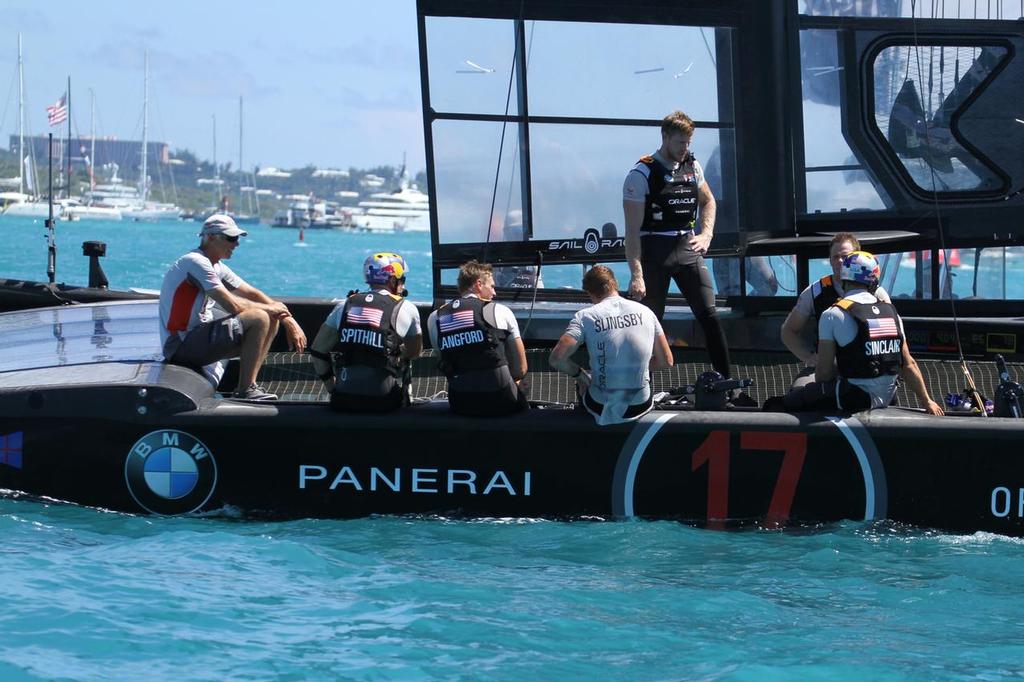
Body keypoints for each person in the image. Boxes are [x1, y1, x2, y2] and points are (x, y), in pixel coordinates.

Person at [623, 110, 731, 378]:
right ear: (665, 137)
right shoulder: (641, 174)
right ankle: (636, 385)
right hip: (653, 254)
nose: (685, 148)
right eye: (680, 143)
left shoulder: (693, 166)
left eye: (689, 143)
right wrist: (637, 275)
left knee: (710, 316)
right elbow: (632, 232)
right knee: (647, 324)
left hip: (687, 247)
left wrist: (706, 235)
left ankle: (728, 385)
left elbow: (709, 201)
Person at [159, 214, 307, 400]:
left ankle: (248, 386)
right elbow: (233, 305)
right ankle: (245, 390)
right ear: (210, 238)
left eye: (237, 238)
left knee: (270, 318)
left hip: (195, 337)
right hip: (180, 345)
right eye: (231, 238)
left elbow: (252, 293)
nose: (236, 244)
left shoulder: (216, 266)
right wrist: (272, 310)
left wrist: (287, 319)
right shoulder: (196, 262)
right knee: (260, 317)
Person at [782, 251, 944, 415]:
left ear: (844, 279)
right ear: (873, 280)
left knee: (789, 401)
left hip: (853, 398)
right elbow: (909, 364)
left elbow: (823, 374)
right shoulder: (892, 313)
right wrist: (927, 401)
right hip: (889, 397)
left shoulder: (832, 314)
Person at [549, 266, 673, 425]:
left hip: (601, 405)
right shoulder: (646, 312)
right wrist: (633, 367)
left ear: (590, 293)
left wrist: (581, 376)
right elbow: (667, 361)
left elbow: (557, 359)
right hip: (640, 405)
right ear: (615, 284)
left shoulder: (585, 316)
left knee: (585, 380)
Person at [309, 252, 422, 412]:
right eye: (402, 280)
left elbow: (318, 351)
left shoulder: (344, 305)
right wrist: (397, 353)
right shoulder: (407, 308)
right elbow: (415, 352)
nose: (403, 285)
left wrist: (333, 390)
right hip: (384, 401)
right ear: (392, 280)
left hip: (343, 398)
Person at [781, 233, 894, 390]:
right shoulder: (815, 291)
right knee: (799, 390)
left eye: (845, 257)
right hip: (828, 369)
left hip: (866, 371)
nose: (840, 261)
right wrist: (809, 357)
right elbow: (789, 331)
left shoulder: (877, 293)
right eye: (835, 257)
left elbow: (894, 335)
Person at [427, 260, 529, 416]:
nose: (494, 293)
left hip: (460, 402)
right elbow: (521, 368)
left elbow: (443, 360)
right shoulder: (500, 311)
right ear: (479, 284)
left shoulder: (436, 317)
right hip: (501, 399)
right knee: (522, 386)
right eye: (492, 286)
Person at [493, 210, 544, 289]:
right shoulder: (496, 256)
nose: (518, 235)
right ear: (505, 231)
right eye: (514, 231)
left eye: (520, 231)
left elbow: (539, 286)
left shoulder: (533, 257)